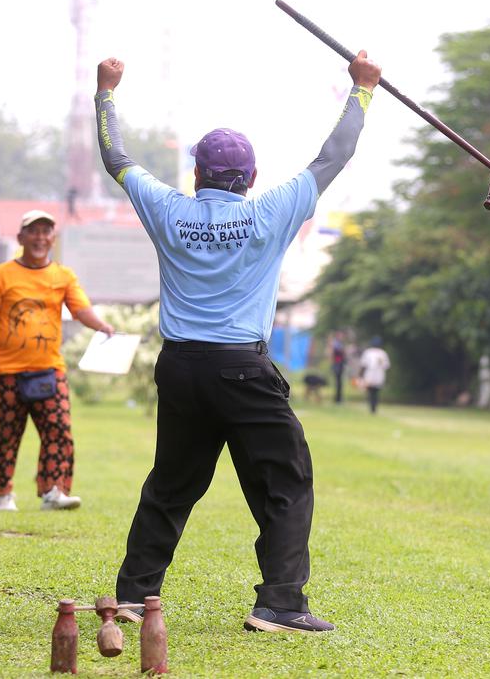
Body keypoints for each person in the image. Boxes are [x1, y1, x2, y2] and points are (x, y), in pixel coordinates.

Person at [95, 49, 381, 634]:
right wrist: (363, 90)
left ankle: (133, 595)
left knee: (172, 483)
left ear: (195, 174)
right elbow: (335, 156)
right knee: (287, 478)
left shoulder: (167, 208)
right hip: (242, 371)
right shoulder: (273, 211)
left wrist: (106, 92)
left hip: (179, 369)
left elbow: (115, 156)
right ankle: (280, 603)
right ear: (250, 179)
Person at [0, 210, 114, 512]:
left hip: (49, 370)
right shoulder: (2, 275)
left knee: (59, 430)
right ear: (21, 238)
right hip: (9, 371)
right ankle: (2, 493)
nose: (40, 238)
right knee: (4, 433)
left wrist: (102, 326)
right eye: (33, 231)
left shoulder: (63, 276)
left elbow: (80, 310)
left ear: (53, 239)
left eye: (46, 232)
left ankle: (54, 491)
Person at [359, 337, 390, 414]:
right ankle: (372, 407)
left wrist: (361, 375)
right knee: (372, 392)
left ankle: (373, 407)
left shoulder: (381, 353)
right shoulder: (371, 352)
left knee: (374, 392)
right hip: (371, 374)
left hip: (377, 375)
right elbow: (364, 365)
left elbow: (386, 365)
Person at [330, 333, 347, 404]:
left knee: (339, 382)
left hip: (340, 364)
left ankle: (338, 398)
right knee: (338, 382)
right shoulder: (336, 344)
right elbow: (339, 352)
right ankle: (338, 399)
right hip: (338, 364)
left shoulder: (338, 344)